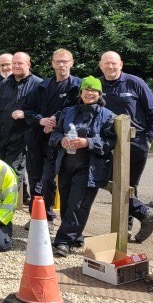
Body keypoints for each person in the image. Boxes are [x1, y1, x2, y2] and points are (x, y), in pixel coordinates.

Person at [98, 51, 153, 242]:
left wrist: (148, 138)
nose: (110, 67)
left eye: (114, 63)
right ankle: (146, 215)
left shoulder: (135, 83)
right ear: (100, 65)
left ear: (121, 64)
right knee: (104, 179)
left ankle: (125, 230)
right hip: (106, 143)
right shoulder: (97, 85)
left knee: (130, 186)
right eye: (106, 63)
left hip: (135, 143)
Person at [50, 77, 116, 257]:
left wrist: (88, 142)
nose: (89, 93)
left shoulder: (108, 116)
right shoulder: (68, 112)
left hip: (90, 168)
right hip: (66, 164)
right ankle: (76, 237)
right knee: (66, 203)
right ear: (80, 93)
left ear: (100, 94)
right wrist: (61, 140)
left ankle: (63, 242)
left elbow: (110, 141)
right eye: (86, 90)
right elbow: (55, 133)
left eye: (94, 90)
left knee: (78, 205)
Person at [21, 48, 80, 226]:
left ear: (71, 63)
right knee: (34, 179)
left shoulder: (77, 86)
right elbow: (27, 109)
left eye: (65, 61)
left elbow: (77, 109)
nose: (61, 65)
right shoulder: (42, 86)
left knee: (48, 179)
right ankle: (36, 216)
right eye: (58, 61)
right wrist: (41, 120)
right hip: (36, 139)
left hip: (58, 141)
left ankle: (47, 216)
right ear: (52, 63)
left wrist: (55, 120)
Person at [0, 51, 41, 206]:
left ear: (29, 64)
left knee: (12, 172)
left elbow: (43, 113)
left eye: (20, 63)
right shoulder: (4, 84)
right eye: (14, 63)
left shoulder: (39, 84)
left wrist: (26, 114)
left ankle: (5, 208)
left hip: (22, 137)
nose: (16, 66)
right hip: (1, 136)